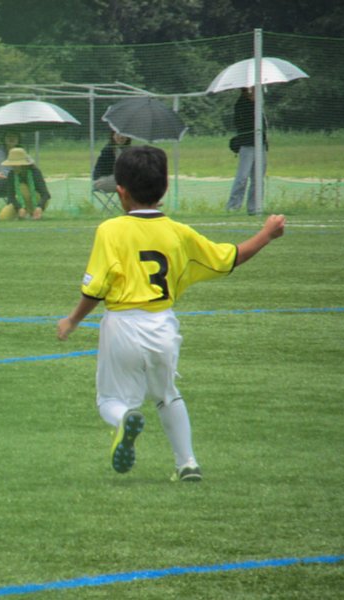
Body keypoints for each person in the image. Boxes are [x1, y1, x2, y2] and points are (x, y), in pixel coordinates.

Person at [57, 146, 285, 482]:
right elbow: (229, 258)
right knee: (167, 396)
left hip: (122, 324)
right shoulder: (179, 233)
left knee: (109, 400)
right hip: (163, 325)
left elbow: (96, 288)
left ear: (121, 192)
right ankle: (187, 463)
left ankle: (124, 419)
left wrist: (73, 320)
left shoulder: (110, 230)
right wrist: (266, 234)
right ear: (163, 189)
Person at [226, 87, 268, 215]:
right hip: (247, 145)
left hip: (260, 145)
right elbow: (242, 123)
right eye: (252, 90)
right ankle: (233, 207)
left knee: (258, 179)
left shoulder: (258, 105)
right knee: (242, 177)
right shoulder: (242, 104)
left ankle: (254, 208)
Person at [0, 147, 51, 220]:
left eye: (15, 165)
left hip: (38, 201)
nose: (13, 167)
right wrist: (19, 208)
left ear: (23, 165)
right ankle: (24, 213)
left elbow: (45, 195)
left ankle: (33, 212)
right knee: (2, 217)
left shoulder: (35, 172)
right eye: (12, 164)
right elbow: (11, 197)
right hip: (21, 202)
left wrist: (39, 207)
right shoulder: (11, 175)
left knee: (23, 187)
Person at [0, 130, 22, 195]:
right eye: (9, 136)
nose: (11, 138)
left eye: (14, 136)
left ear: (18, 139)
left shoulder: (20, 151)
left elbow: (30, 165)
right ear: (4, 139)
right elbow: (3, 172)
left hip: (15, 180)